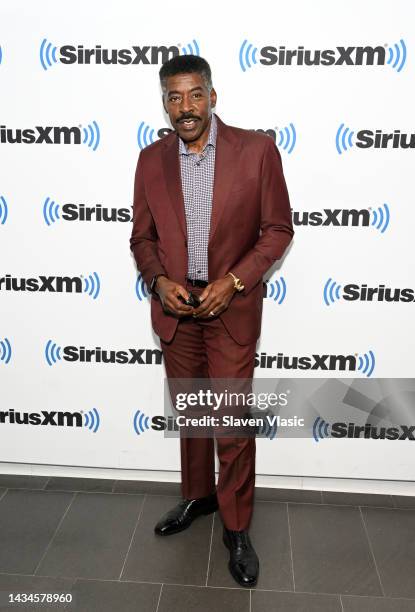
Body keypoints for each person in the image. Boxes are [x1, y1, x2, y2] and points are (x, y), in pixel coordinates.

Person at [129, 54, 294, 587]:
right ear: (164, 104)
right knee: (194, 416)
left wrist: (234, 282)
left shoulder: (257, 151)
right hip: (177, 312)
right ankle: (198, 496)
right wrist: (158, 282)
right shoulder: (150, 159)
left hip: (231, 310)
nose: (185, 107)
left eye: (194, 95)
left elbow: (277, 230)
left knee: (231, 423)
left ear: (213, 97)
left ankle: (238, 527)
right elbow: (142, 239)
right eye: (173, 98)